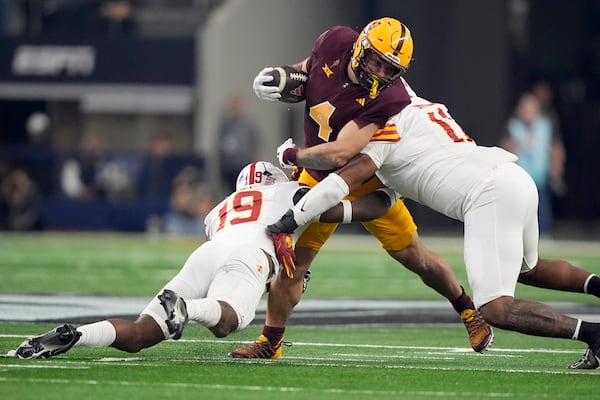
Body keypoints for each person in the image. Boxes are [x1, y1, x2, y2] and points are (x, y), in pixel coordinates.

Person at [265, 86, 600, 370]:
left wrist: (293, 195)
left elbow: (338, 178)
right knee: (528, 269)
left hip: (489, 195)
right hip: (512, 176)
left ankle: (593, 334)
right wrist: (335, 213)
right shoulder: (420, 107)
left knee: (496, 307)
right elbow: (380, 200)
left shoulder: (382, 133)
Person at [230, 17, 493, 359]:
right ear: (360, 48)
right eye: (377, 62)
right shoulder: (335, 41)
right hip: (316, 176)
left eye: (390, 68)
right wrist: (282, 77)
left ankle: (469, 311)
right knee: (296, 261)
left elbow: (342, 151)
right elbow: (309, 71)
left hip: (362, 177)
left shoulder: (391, 98)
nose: (382, 73)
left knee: (416, 258)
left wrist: (292, 154)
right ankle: (270, 342)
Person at [10, 161, 396, 359]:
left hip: (209, 250)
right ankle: (187, 307)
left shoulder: (220, 208)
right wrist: (391, 194)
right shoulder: (291, 192)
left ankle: (76, 336)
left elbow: (227, 249)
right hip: (249, 252)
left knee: (142, 332)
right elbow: (359, 209)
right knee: (231, 319)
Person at [500, 92, 563, 236]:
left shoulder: (546, 125)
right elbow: (504, 148)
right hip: (520, 176)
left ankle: (545, 234)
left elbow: (556, 146)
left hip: (540, 175)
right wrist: (519, 143)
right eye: (524, 109)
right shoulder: (513, 126)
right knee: (518, 207)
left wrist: (556, 165)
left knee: (543, 207)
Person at [218, 95, 262, 193]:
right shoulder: (225, 125)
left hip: (243, 165)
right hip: (228, 167)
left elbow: (256, 145)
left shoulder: (248, 126)